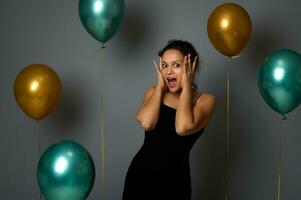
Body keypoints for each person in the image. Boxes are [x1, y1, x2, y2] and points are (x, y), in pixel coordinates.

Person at [122, 39, 216, 200]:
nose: (169, 72)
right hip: (141, 176)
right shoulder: (154, 92)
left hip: (175, 182)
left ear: (191, 67)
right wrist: (159, 87)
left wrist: (186, 87)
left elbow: (182, 127)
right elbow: (147, 123)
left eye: (176, 65)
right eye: (164, 65)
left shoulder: (205, 100)